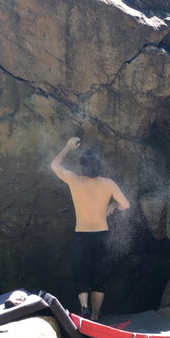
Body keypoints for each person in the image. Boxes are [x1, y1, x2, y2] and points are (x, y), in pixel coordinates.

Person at [50, 137, 130, 321]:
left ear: (82, 166)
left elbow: (54, 165)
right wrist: (114, 206)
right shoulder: (108, 183)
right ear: (99, 166)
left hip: (81, 235)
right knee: (98, 279)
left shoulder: (74, 180)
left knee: (81, 274)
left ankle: (84, 308)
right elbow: (126, 204)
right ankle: (94, 316)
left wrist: (68, 146)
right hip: (101, 235)